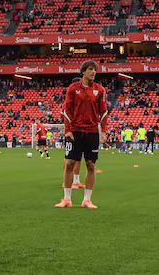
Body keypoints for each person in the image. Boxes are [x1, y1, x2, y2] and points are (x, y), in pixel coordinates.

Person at [53, 61, 108, 209]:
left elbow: (103, 112)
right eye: (90, 69)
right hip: (75, 131)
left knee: (91, 165)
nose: (93, 72)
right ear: (83, 72)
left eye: (95, 70)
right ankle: (67, 199)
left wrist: (103, 131)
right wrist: (68, 130)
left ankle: (87, 200)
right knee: (69, 163)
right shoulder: (73, 88)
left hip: (92, 132)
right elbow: (66, 110)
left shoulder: (100, 90)